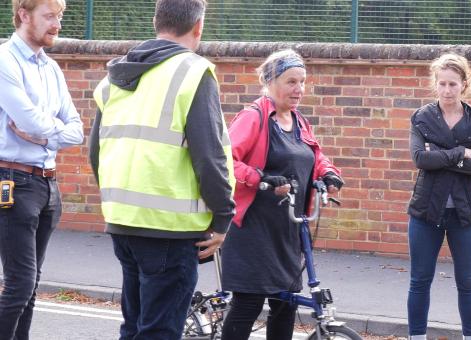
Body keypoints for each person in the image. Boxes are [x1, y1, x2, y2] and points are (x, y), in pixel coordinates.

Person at [88, 0, 235, 338]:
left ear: (156, 21)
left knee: (136, 327)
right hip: (171, 231)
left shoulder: (115, 78)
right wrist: (223, 218)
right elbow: (209, 156)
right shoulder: (193, 72)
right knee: (160, 332)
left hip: (123, 222)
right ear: (198, 27)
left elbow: (96, 152)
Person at [220, 49, 344, 340]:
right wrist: (261, 178)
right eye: (291, 81)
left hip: (288, 227)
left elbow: (314, 155)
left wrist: (328, 172)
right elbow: (225, 160)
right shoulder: (254, 117)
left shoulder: (299, 121)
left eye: (302, 81)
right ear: (271, 82)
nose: (299, 89)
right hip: (252, 227)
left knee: (284, 305)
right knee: (247, 304)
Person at [0, 0, 84, 339]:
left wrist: (45, 139)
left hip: (48, 185)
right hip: (12, 182)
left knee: (31, 285)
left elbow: (77, 129)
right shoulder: (5, 60)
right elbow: (27, 120)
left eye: (59, 16)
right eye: (49, 16)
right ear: (24, 15)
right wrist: (51, 130)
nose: (57, 25)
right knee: (19, 285)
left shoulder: (51, 69)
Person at [406, 53, 471, 340]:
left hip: (465, 215)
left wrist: (438, 155)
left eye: (453, 84)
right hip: (425, 212)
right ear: (435, 84)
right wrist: (459, 153)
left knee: (468, 283)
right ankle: (416, 337)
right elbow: (420, 159)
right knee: (419, 281)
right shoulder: (421, 117)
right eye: (441, 83)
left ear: (464, 85)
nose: (446, 90)